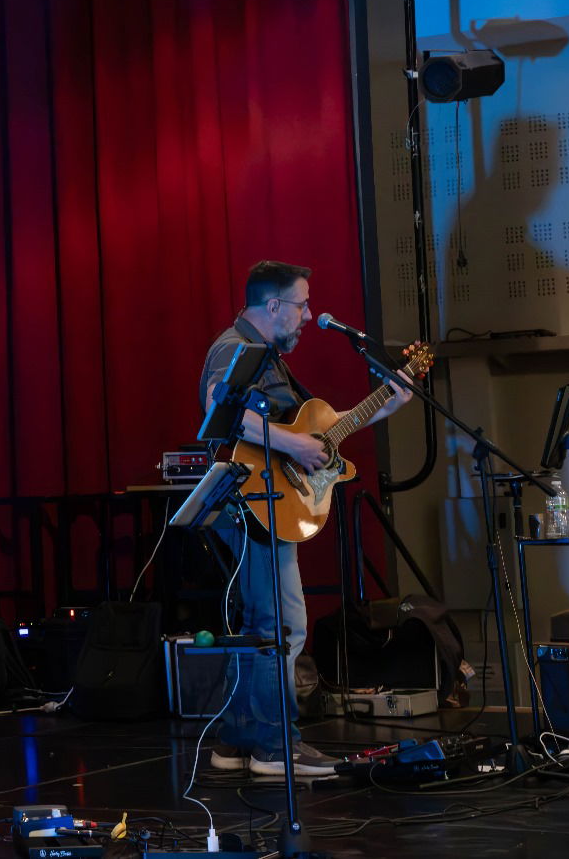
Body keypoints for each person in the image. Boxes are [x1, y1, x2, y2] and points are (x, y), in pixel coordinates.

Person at [199, 260, 409, 777]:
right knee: (281, 626)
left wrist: (385, 403)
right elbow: (221, 411)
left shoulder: (267, 358)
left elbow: (321, 432)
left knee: (264, 627)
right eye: (302, 305)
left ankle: (237, 743)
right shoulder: (234, 348)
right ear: (273, 306)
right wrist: (294, 445)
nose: (309, 315)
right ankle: (276, 749)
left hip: (272, 503)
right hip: (252, 502)